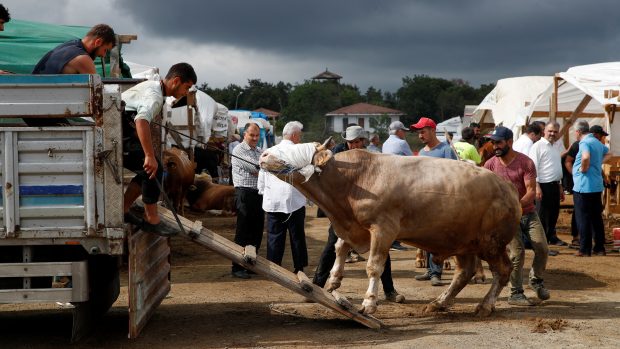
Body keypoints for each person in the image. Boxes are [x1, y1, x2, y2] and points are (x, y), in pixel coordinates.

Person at [313, 125, 405, 303]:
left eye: (357, 142)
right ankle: (316, 286)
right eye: (351, 142)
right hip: (344, 211)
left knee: (380, 247)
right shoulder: (335, 155)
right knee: (333, 245)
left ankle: (389, 290)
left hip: (368, 210)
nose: (354, 145)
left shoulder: (371, 156)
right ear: (346, 142)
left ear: (362, 141)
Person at [122, 63, 197, 236]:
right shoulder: (155, 96)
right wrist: (149, 156)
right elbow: (141, 120)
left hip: (121, 130)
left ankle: (124, 209)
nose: (186, 93)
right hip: (118, 134)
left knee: (148, 170)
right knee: (153, 168)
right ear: (176, 81)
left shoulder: (153, 87)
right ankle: (151, 219)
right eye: (186, 87)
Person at [484, 126, 550, 306]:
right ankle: (515, 293)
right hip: (505, 219)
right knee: (517, 253)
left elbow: (530, 192)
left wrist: (515, 207)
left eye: (498, 142)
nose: (494, 146)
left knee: (542, 248)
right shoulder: (490, 165)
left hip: (527, 213)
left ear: (510, 142)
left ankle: (536, 281)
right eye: (492, 142)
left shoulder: (525, 163)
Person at [28, 24, 116, 127]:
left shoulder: (70, 45)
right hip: (42, 112)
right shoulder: (82, 58)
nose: (103, 55)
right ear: (98, 42)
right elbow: (99, 95)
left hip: (35, 107)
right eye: (105, 50)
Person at [410, 117, 457, 286]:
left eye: (422, 131)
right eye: (418, 133)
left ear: (432, 130)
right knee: (427, 238)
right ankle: (430, 271)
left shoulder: (446, 150)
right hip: (425, 202)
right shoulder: (422, 153)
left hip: (442, 201)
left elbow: (454, 175)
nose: (420, 135)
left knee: (437, 237)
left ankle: (436, 272)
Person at [258, 121, 308, 274]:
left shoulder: (269, 151)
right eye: (299, 135)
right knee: (297, 236)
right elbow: (306, 175)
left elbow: (262, 177)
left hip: (273, 201)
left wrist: (263, 192)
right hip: (295, 200)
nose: (299, 138)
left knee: (274, 235)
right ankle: (299, 268)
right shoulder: (300, 151)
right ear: (294, 135)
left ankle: (274, 268)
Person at [230, 122, 265, 279]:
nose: (255, 138)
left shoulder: (259, 151)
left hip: (258, 194)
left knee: (256, 231)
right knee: (243, 231)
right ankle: (237, 267)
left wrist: (265, 169)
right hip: (244, 193)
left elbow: (265, 167)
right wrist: (265, 169)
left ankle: (250, 263)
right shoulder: (239, 150)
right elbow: (256, 168)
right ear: (244, 134)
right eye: (252, 135)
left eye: (257, 135)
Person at [572, 121, 610, 257]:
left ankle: (584, 249)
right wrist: (598, 162)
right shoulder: (597, 142)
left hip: (583, 185)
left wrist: (584, 168)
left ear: (578, 132)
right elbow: (609, 153)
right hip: (596, 185)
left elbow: (586, 157)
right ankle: (599, 248)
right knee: (596, 217)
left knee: (583, 217)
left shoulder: (584, 142)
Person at [528, 121, 567, 247]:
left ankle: (549, 241)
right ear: (544, 131)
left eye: (555, 132)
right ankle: (540, 245)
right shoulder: (537, 146)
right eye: (550, 131)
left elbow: (556, 166)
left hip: (554, 185)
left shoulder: (555, 146)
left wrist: (560, 185)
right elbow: (533, 167)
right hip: (543, 185)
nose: (552, 134)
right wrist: (537, 186)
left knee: (553, 216)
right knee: (542, 216)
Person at [382, 121, 412, 251]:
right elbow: (411, 158)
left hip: (386, 180)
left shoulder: (385, 143)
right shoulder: (401, 143)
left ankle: (391, 240)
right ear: (398, 131)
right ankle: (396, 240)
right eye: (403, 130)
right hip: (400, 181)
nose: (404, 133)